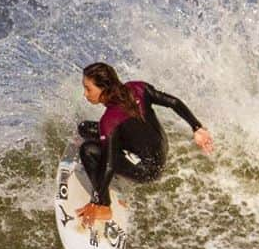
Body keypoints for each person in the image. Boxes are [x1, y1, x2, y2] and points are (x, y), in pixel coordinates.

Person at [75, 62, 214, 226]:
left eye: (88, 89)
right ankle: (121, 160)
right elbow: (174, 102)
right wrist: (196, 127)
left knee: (88, 150)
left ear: (104, 89)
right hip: (160, 147)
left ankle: (104, 207)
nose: (85, 94)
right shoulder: (137, 87)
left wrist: (95, 201)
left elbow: (109, 165)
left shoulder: (110, 120)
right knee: (85, 128)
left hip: (148, 168)